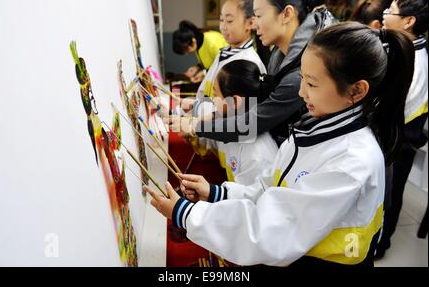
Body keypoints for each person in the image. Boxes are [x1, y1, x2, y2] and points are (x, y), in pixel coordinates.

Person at [145, 22, 415, 267]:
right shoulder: (312, 129)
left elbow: (272, 229)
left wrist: (185, 214)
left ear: (356, 91)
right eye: (302, 80)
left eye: (311, 83)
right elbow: (270, 188)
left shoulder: (352, 161)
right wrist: (217, 193)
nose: (300, 93)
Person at [168, 0, 334, 146]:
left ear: (286, 14)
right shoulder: (279, 54)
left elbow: (255, 120)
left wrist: (197, 125)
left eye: (259, 16)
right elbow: (255, 101)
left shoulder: (302, 71)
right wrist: (202, 112)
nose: (255, 25)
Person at [375, 0, 428, 259]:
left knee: (390, 194)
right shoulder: (399, 45)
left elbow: (397, 108)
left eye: (391, 10)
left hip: (398, 140)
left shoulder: (416, 61)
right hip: (389, 134)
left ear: (409, 21)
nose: (385, 13)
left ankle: (382, 243)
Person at [179, 0, 268, 117]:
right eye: (221, 19)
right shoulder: (225, 52)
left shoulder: (248, 62)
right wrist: (188, 107)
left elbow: (232, 113)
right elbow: (206, 92)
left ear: (250, 23)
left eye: (230, 21)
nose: (223, 27)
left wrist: (194, 109)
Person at [190, 60, 278, 184]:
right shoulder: (228, 126)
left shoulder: (257, 155)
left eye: (215, 94)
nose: (213, 100)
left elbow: (247, 200)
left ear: (235, 101)